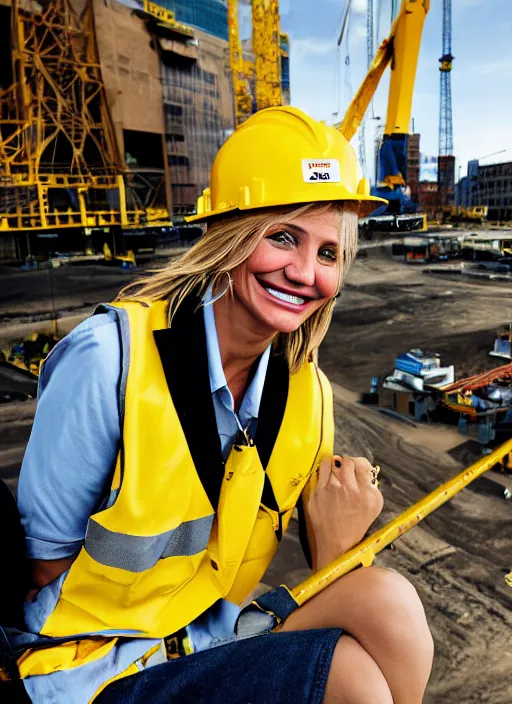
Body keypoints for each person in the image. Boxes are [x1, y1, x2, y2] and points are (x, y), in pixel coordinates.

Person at [14, 107, 433, 703]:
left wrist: (341, 545)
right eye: (283, 237)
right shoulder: (109, 361)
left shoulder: (306, 395)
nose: (304, 272)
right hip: (96, 663)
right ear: (229, 235)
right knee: (351, 681)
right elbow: (42, 566)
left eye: (328, 253)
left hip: (208, 637)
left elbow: (322, 569)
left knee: (389, 603)